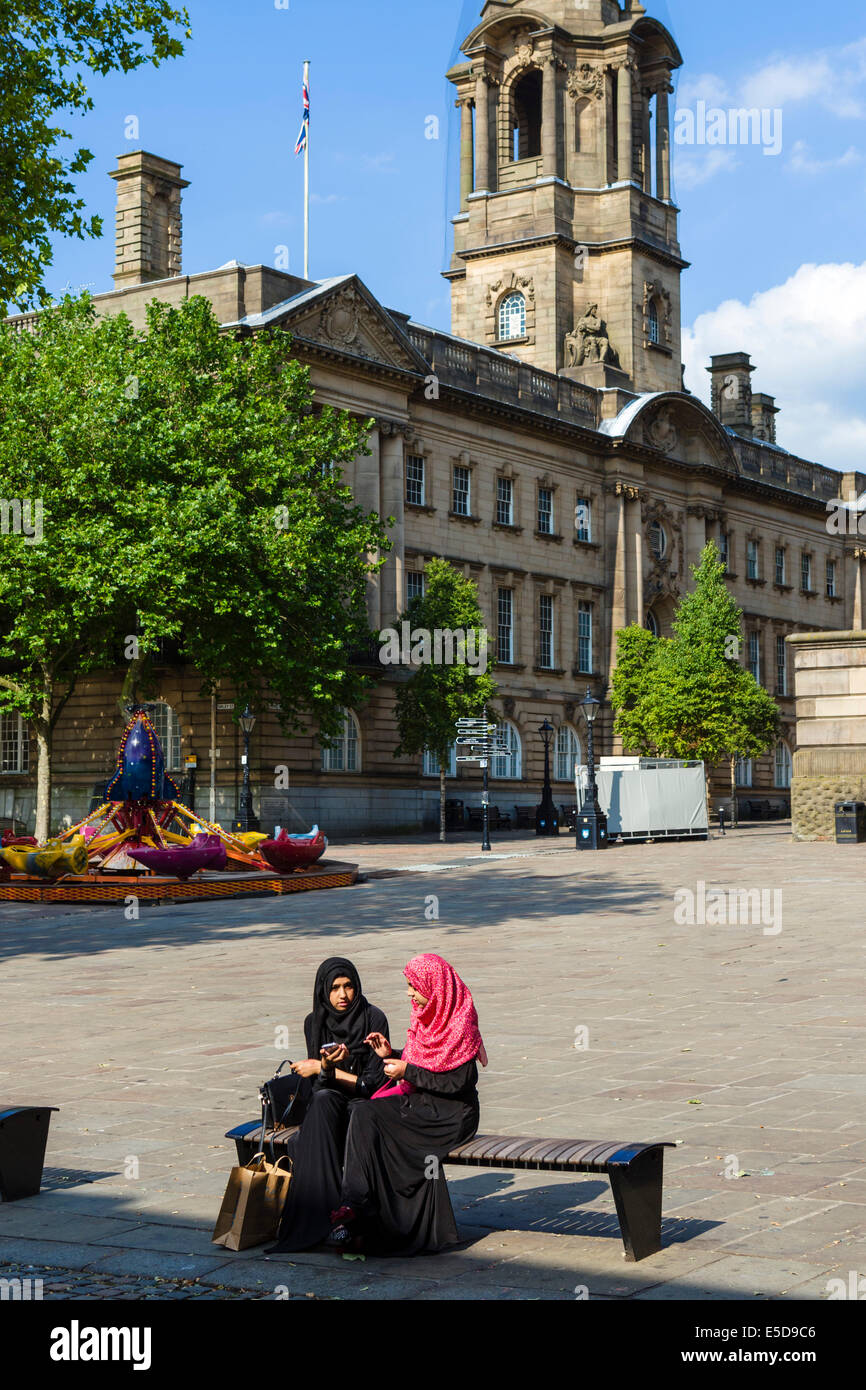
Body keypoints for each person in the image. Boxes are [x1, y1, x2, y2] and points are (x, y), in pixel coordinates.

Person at [328, 952, 487, 1255]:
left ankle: (384, 1218)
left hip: (452, 1115)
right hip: (422, 1105)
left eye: (414, 987)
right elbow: (428, 1063)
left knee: (380, 1126)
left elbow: (457, 1082)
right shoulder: (425, 1018)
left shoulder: (460, 1023)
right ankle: (354, 1204)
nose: (410, 993)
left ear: (434, 986)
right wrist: (394, 1054)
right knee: (363, 1110)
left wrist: (408, 1071)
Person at [270, 956, 389, 1252]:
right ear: (324, 990)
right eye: (335, 987)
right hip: (332, 1100)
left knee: (354, 1109)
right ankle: (326, 1215)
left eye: (348, 986)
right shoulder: (315, 1021)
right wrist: (324, 1069)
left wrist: (330, 1069)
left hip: (366, 1103)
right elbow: (319, 1086)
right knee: (322, 1101)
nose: (343, 995)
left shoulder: (373, 1018)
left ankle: (350, 1213)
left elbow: (371, 1084)